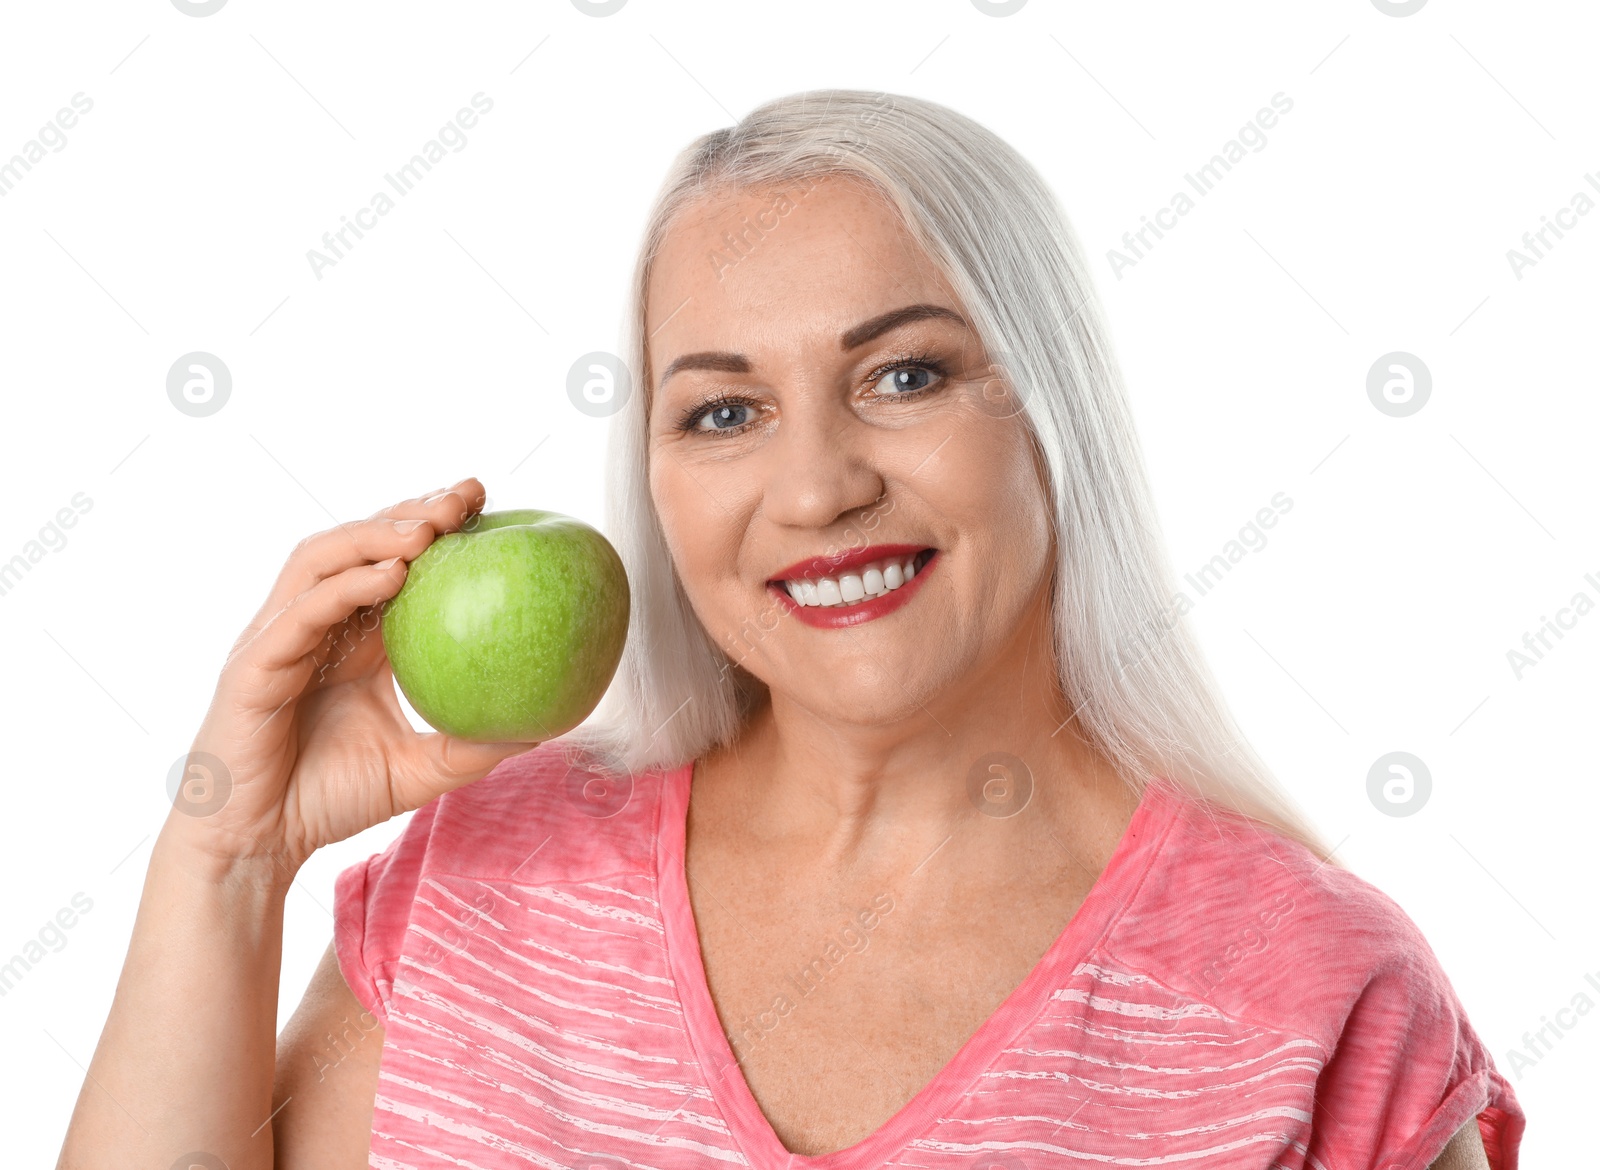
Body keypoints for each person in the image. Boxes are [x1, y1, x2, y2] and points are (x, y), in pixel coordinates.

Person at [59, 89, 1523, 1169]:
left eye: (905, 376)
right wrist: (228, 854)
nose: (817, 485)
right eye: (725, 410)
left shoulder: (1317, 1002)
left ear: (1050, 406)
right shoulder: (479, 887)